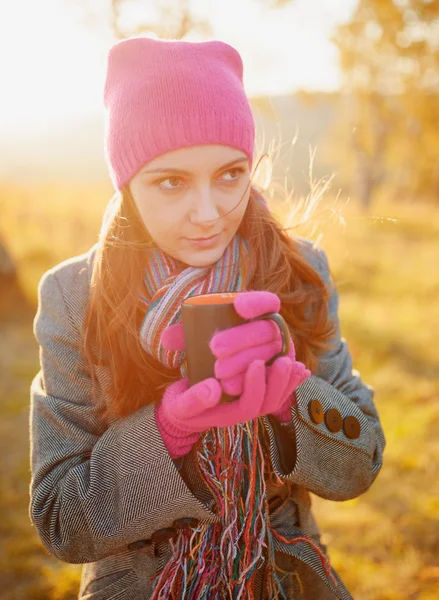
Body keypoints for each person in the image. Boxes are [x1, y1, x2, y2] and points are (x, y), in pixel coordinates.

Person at [29, 36, 386, 600]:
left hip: (283, 580)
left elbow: (360, 466)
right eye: (170, 181)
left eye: (230, 174)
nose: (208, 213)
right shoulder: (75, 296)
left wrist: (293, 399)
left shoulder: (300, 271)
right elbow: (61, 521)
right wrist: (170, 427)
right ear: (127, 183)